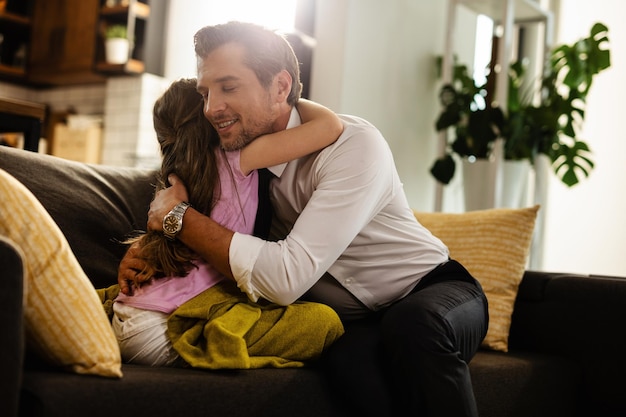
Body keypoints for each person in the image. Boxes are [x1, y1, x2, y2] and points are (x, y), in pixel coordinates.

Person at [118, 21, 489, 417]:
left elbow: (283, 279)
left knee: (414, 327)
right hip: (362, 323)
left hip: (432, 289)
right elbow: (191, 207)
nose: (211, 108)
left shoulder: (352, 146)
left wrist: (179, 218)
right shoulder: (230, 155)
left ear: (280, 87)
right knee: (345, 362)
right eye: (205, 92)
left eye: (228, 87)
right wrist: (148, 252)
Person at [111, 77, 345, 367]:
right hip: (166, 329)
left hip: (127, 315)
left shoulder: (172, 179)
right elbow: (329, 127)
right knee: (324, 323)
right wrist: (284, 97)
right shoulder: (240, 158)